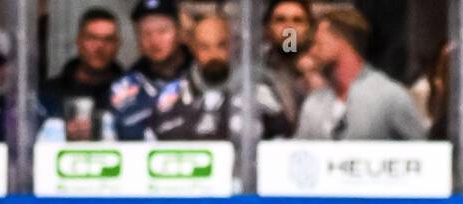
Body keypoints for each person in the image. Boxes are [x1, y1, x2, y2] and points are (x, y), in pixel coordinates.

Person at [150, 14, 289, 142]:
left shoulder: (258, 91)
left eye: (221, 45)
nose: (213, 54)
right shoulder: (172, 95)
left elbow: (281, 142)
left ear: (233, 45)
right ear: (193, 49)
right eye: (204, 47)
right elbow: (152, 142)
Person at [294, 8, 426, 140]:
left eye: (318, 44)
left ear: (341, 41)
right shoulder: (313, 103)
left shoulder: (390, 97)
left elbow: (424, 154)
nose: (312, 52)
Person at [110, 0, 191, 141]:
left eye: (162, 31)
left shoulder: (200, 79)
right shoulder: (122, 87)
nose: (154, 40)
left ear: (180, 32)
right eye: (145, 33)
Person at [41, 7, 125, 137]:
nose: (99, 46)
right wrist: (61, 133)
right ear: (79, 40)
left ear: (118, 44)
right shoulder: (49, 93)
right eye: (92, 38)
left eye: (108, 39)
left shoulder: (132, 93)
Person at [262, 0, 314, 132]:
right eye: (281, 20)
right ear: (267, 28)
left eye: (297, 20)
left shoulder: (325, 70)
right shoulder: (256, 72)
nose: (289, 28)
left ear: (310, 29)